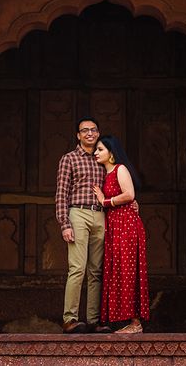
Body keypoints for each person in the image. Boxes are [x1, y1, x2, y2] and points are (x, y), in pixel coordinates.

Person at [55, 117, 110, 334]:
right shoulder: (69, 159)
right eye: (84, 130)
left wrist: (131, 199)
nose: (89, 133)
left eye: (93, 130)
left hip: (100, 215)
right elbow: (61, 193)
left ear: (98, 133)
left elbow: (116, 181)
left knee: (96, 270)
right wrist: (64, 224)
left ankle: (94, 320)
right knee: (77, 268)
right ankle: (70, 319)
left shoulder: (103, 157)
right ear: (78, 135)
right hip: (77, 213)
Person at [92, 135, 150, 334]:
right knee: (118, 270)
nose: (96, 153)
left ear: (111, 154)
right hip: (115, 226)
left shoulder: (120, 169)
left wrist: (105, 201)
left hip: (126, 225)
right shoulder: (105, 174)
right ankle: (128, 321)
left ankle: (136, 323)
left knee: (128, 270)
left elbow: (129, 195)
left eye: (100, 149)